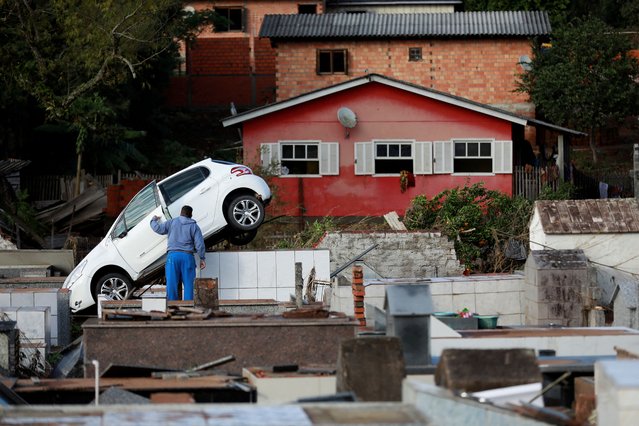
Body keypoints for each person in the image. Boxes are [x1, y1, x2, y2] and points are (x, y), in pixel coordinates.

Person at [150, 205, 206, 301]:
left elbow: (158, 229)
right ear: (191, 215)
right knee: (189, 285)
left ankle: (172, 308)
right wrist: (202, 258)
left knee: (171, 284)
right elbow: (199, 244)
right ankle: (189, 309)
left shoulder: (172, 222)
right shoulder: (194, 226)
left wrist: (153, 220)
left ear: (181, 213)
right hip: (187, 257)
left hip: (173, 257)